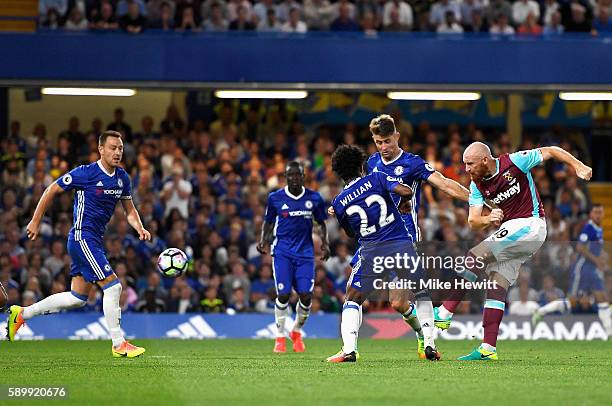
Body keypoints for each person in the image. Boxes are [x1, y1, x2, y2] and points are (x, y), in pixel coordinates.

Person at [434, 141, 592, 360]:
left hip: (530, 224)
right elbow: (473, 221)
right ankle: (488, 348)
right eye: (465, 165)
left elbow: (551, 151)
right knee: (496, 283)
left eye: (470, 164)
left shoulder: (515, 161)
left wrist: (578, 166)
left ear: (485, 160)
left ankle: (444, 312)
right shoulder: (476, 185)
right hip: (514, 232)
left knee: (475, 256)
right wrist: (488, 219)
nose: (467, 169)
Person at [6, 131, 151, 358]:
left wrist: (139, 227)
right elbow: (51, 189)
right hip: (82, 237)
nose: (117, 152)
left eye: (120, 148)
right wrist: (35, 220)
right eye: (112, 148)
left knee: (77, 298)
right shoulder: (86, 173)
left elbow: (129, 209)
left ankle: (22, 314)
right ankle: (118, 343)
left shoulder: (122, 178)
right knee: (113, 287)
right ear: (101, 149)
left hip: (93, 240)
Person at [337, 114, 469, 359]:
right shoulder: (372, 163)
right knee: (364, 294)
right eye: (378, 142)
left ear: (397, 136)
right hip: (375, 238)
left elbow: (445, 184)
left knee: (398, 302)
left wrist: (477, 201)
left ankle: (426, 340)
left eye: (387, 141)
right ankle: (422, 337)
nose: (383, 148)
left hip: (403, 235)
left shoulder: (412, 163)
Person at [325, 144, 440, 363]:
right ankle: (430, 343)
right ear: (361, 166)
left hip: (371, 252)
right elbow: (407, 191)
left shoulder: (339, 202)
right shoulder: (377, 178)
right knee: (420, 292)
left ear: (338, 173)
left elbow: (350, 233)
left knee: (353, 298)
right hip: (400, 244)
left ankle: (349, 350)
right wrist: (402, 203)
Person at [257, 161, 330, 353]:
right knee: (283, 293)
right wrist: (263, 240)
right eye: (291, 175)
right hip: (282, 251)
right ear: (285, 177)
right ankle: (280, 337)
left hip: (305, 253)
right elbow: (268, 222)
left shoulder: (314, 198)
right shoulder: (276, 198)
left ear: (303, 177)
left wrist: (325, 243)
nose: (294, 178)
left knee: (306, 295)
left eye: (298, 175)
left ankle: (296, 331)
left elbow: (321, 223)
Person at [532, 204, 611, 336]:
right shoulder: (589, 228)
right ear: (591, 214)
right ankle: (541, 312)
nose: (597, 215)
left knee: (602, 298)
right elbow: (580, 247)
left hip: (592, 270)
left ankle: (609, 333)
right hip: (582, 269)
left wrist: (602, 256)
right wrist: (596, 260)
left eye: (600, 212)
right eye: (595, 212)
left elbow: (594, 248)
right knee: (572, 301)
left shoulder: (599, 229)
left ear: (603, 214)